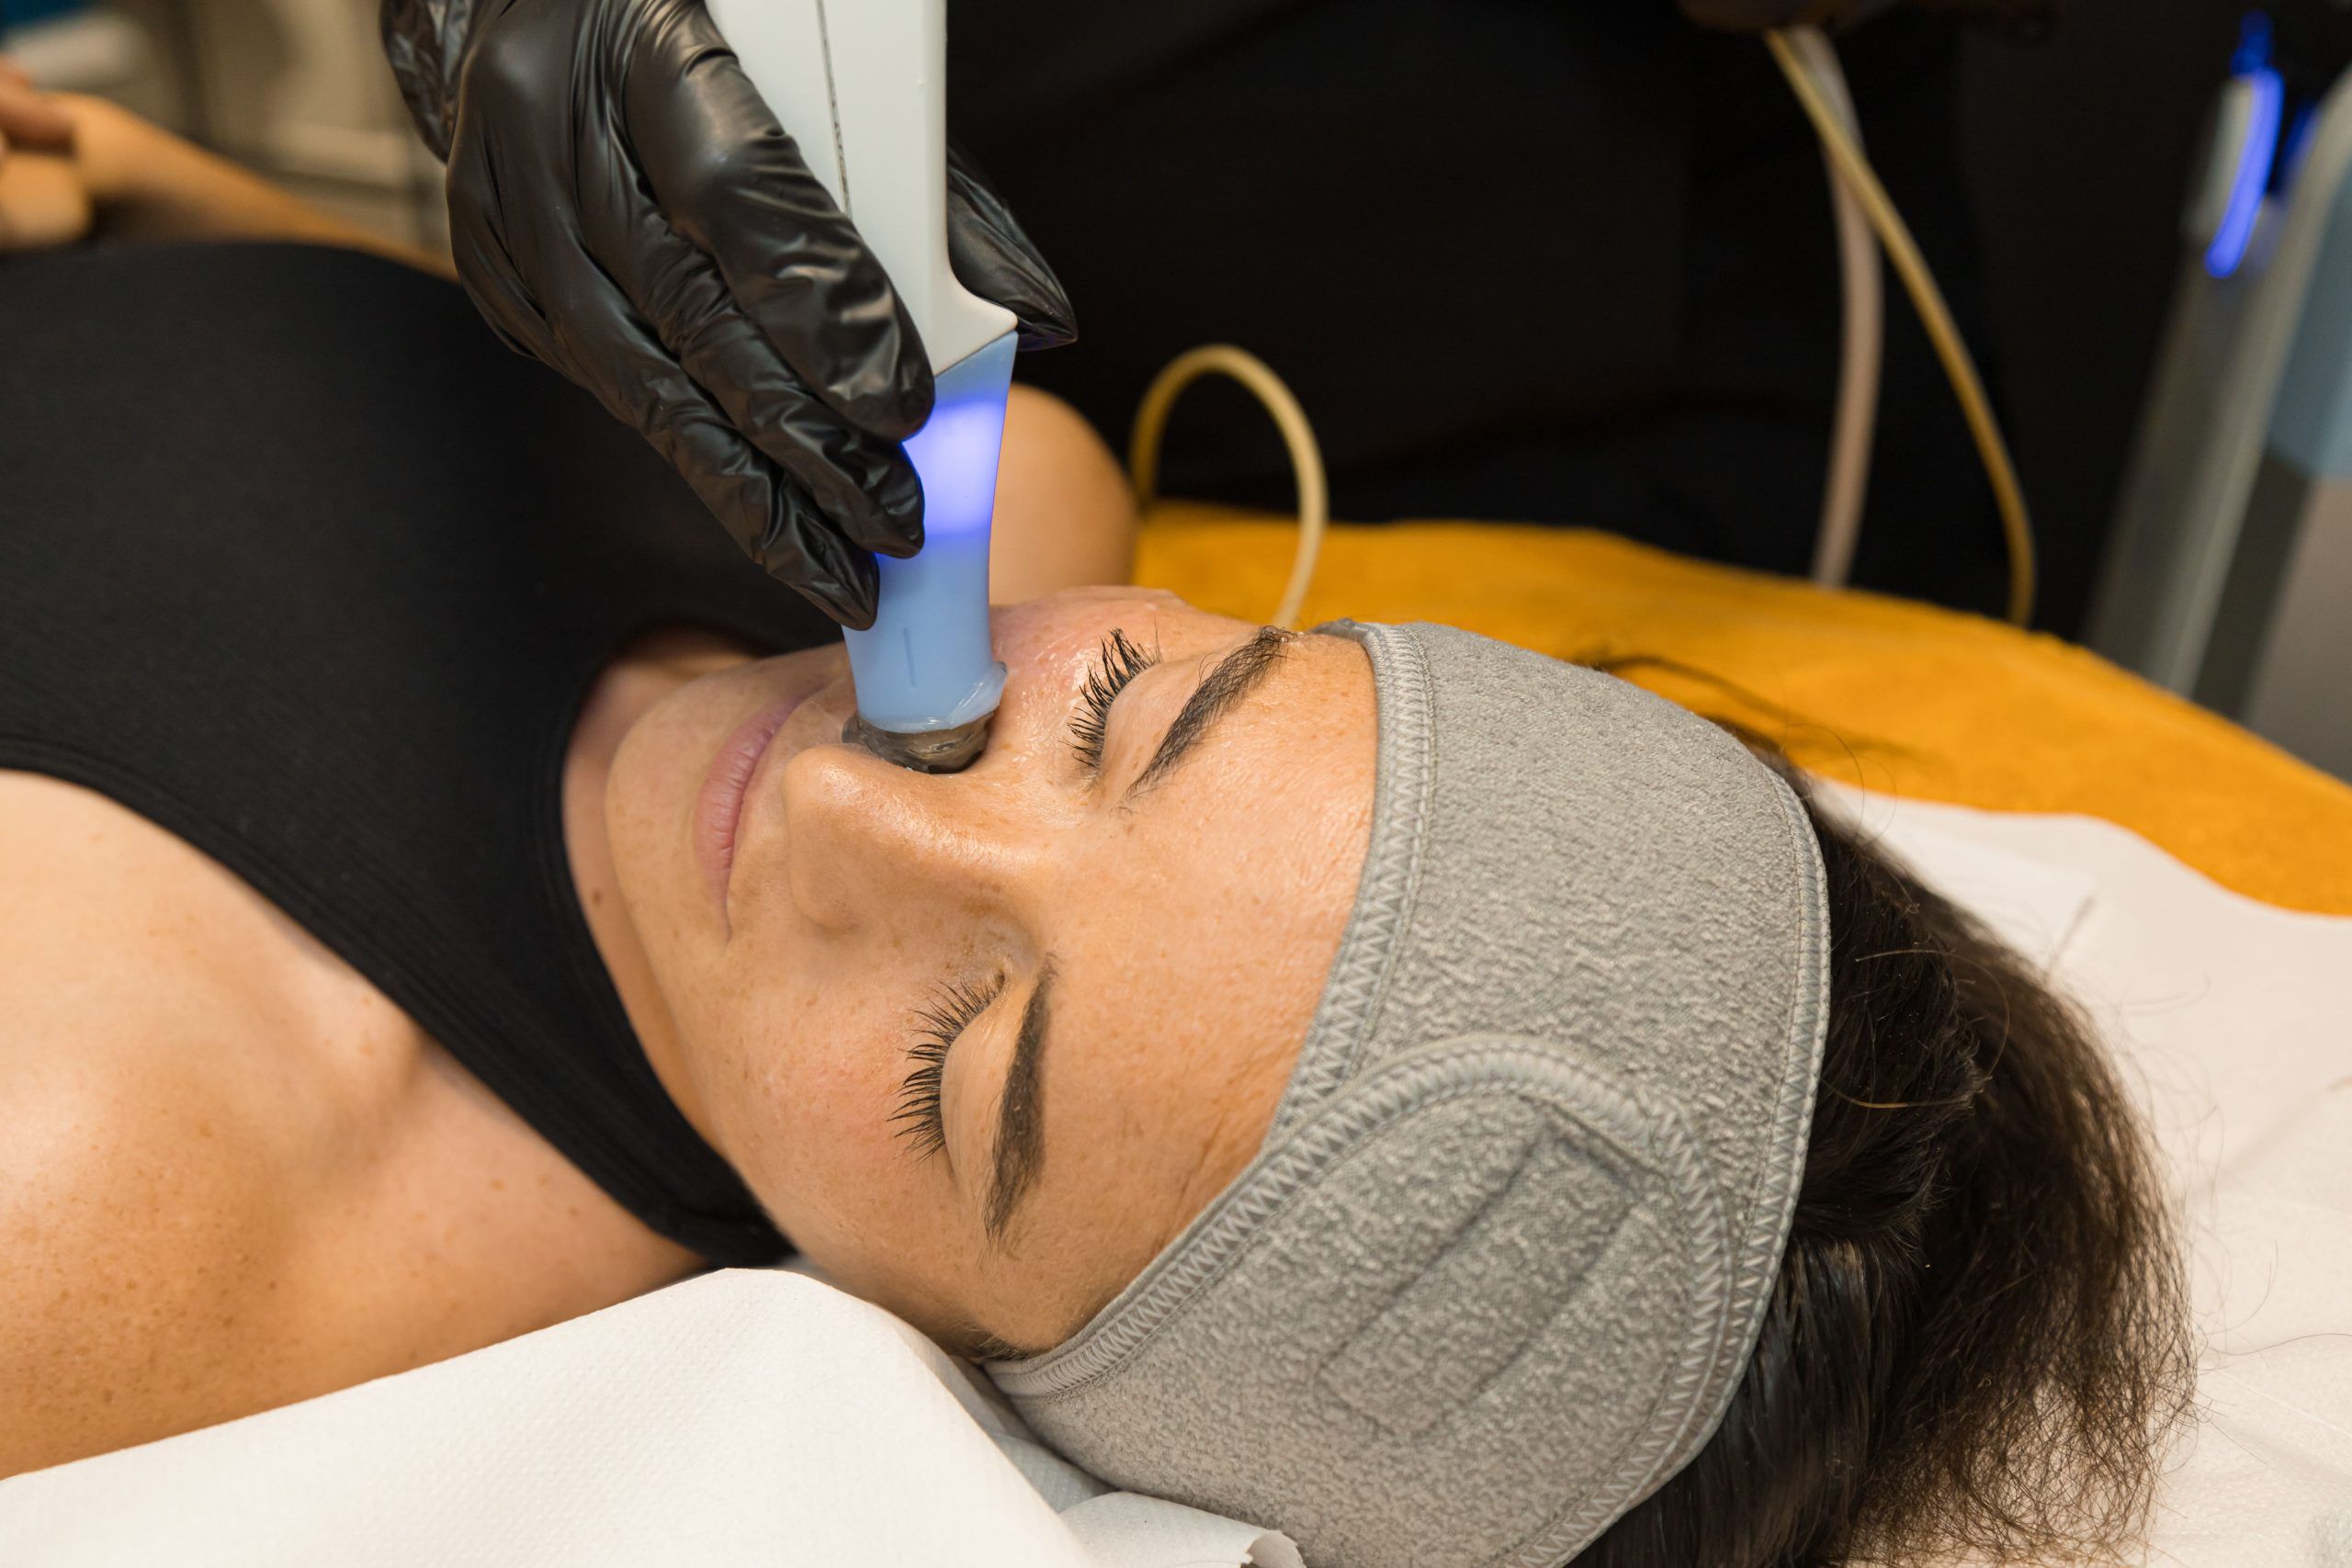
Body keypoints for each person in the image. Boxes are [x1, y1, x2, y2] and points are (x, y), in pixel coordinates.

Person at [0, 85, 2185, 1568]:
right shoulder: (1004, 486)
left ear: (986, 1371)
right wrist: (165, 190)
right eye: (1135, 709)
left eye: (959, 1072)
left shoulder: (99, 1196)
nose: (855, 806)